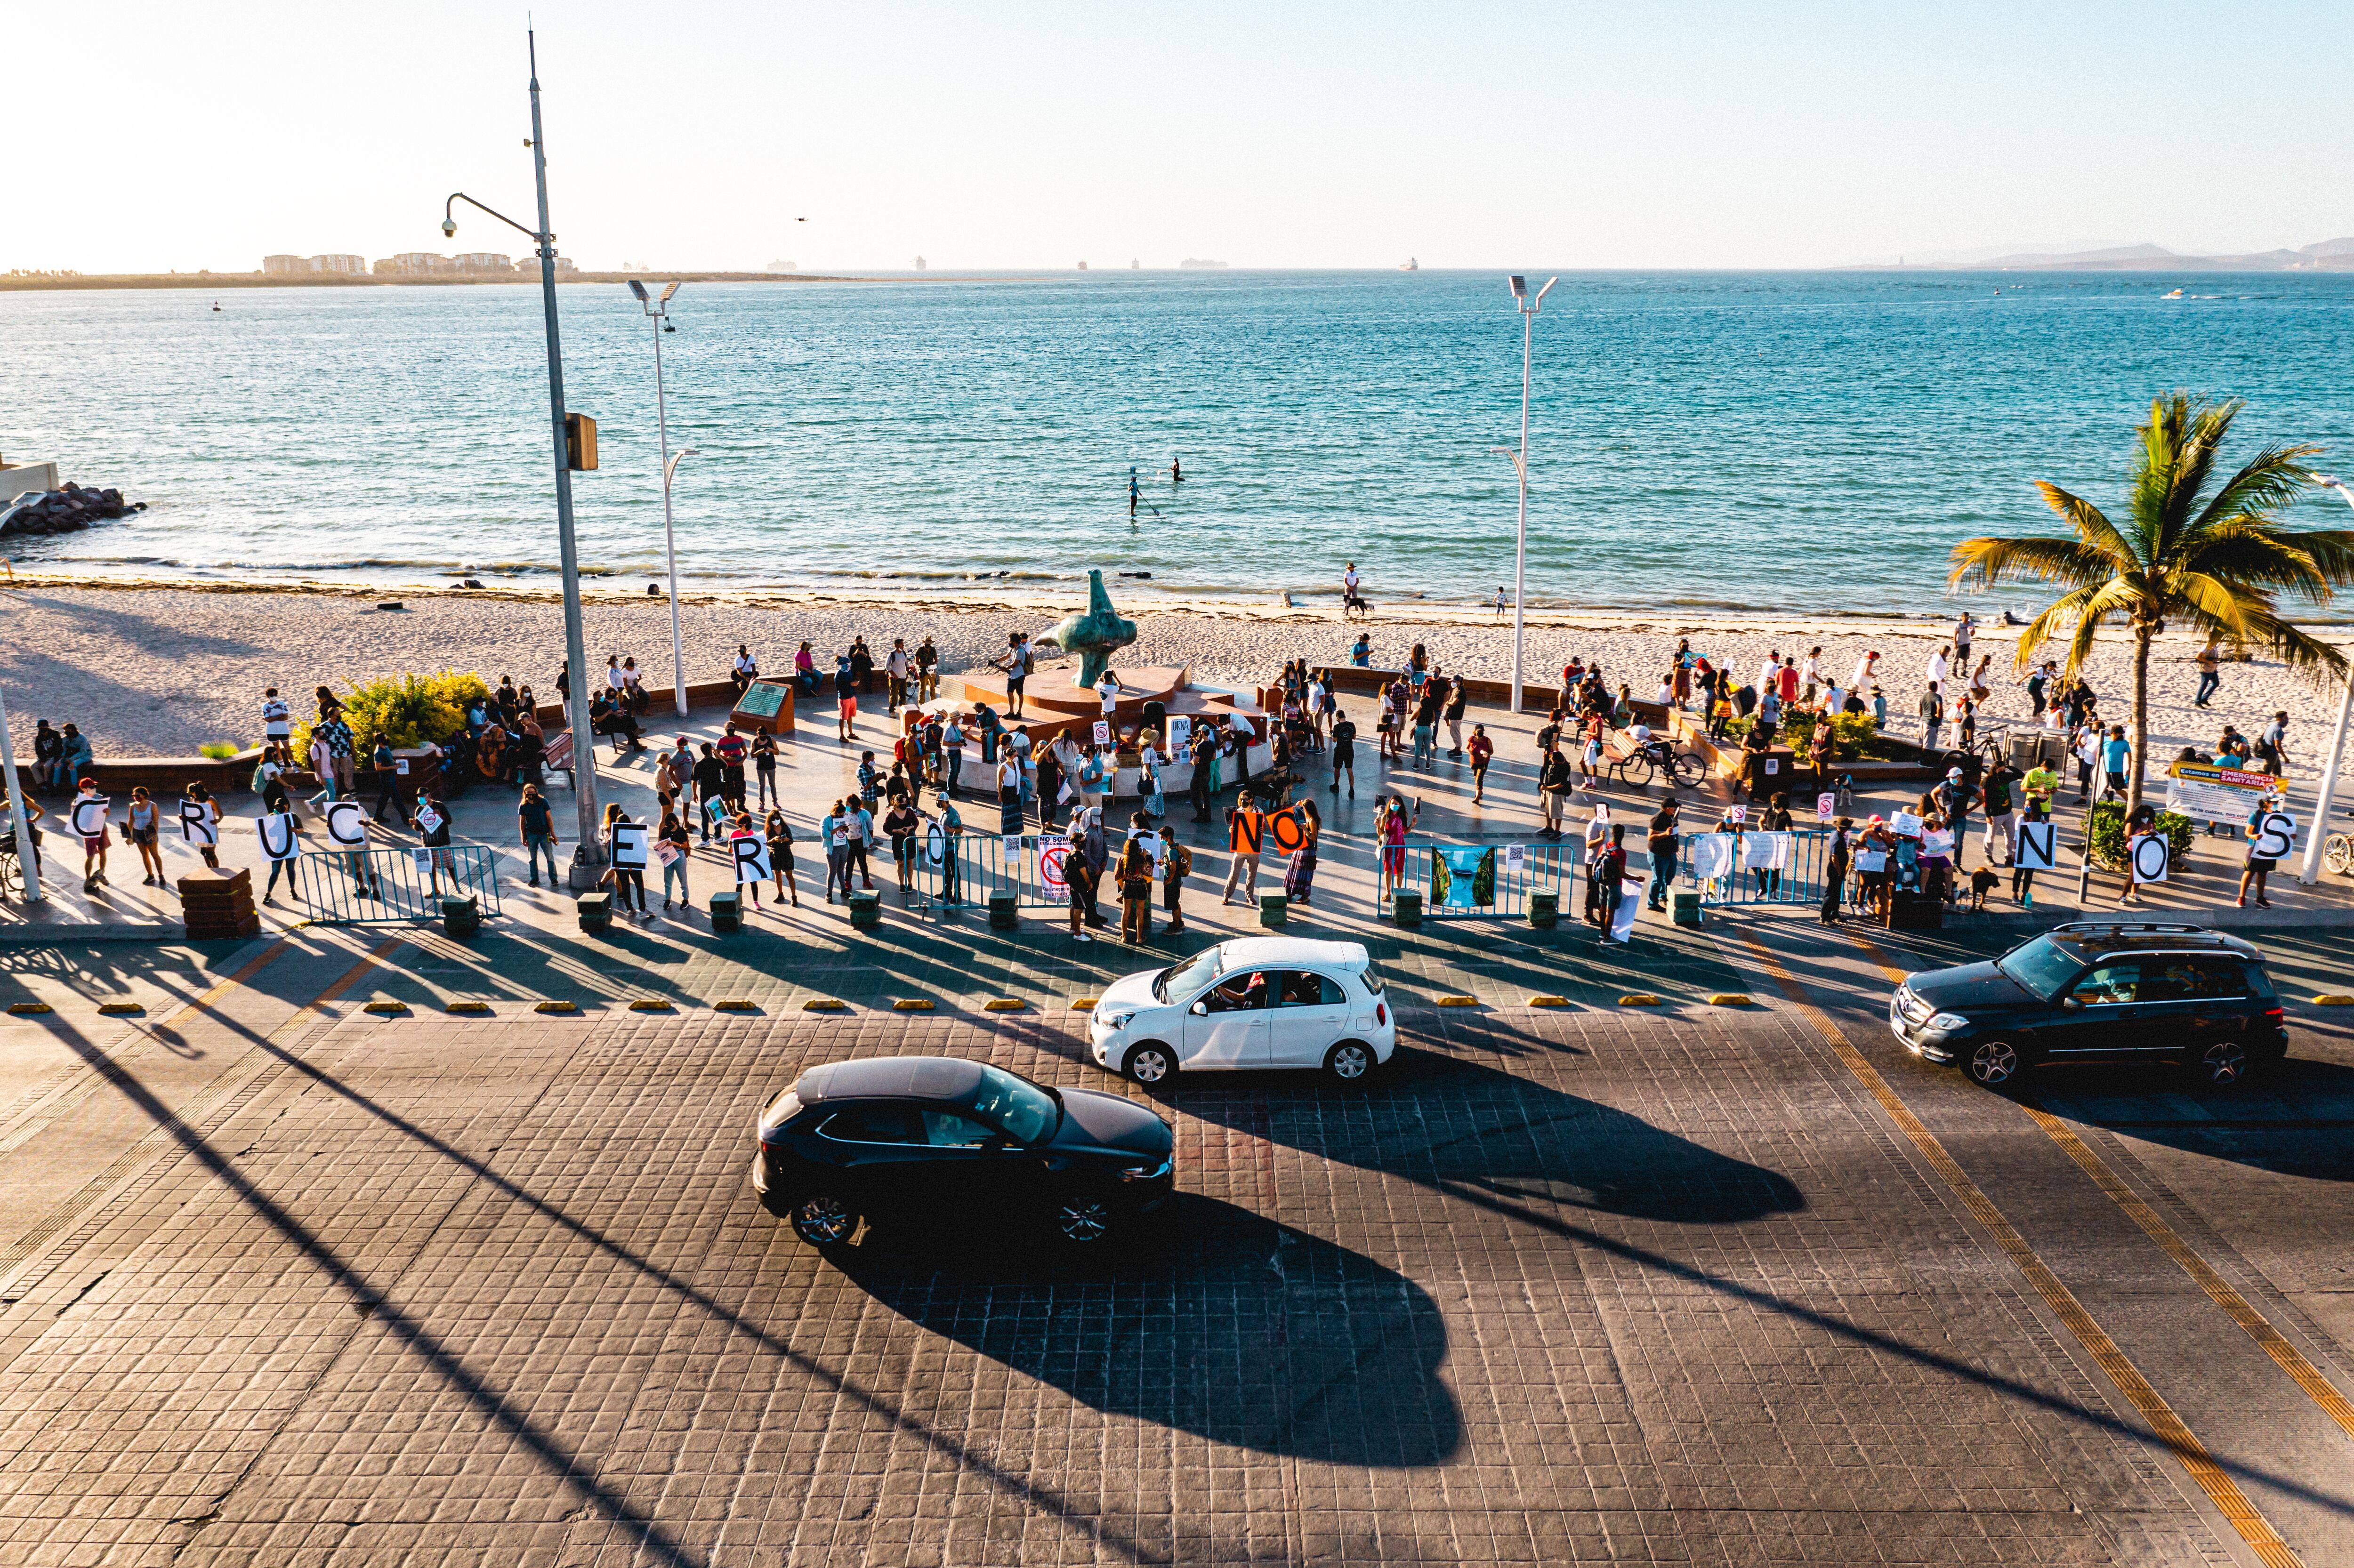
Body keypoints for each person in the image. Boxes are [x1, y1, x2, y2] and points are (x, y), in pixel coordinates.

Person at [2238, 794, 2283, 909]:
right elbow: (2248, 832)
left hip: (2269, 849)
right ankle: (2241, 897)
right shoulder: (2256, 814)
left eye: (2278, 802)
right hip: (2255, 847)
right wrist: (2254, 837)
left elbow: (2283, 831)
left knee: (2263, 873)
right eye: (2275, 802)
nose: (2277, 804)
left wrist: (2291, 835)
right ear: (2267, 803)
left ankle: (2260, 898)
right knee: (2249, 872)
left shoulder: (2278, 815)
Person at [602, 804, 647, 916]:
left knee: (625, 887)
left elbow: (610, 850)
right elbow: (639, 849)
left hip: (620, 866)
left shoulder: (614, 834)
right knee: (639, 886)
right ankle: (643, 909)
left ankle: (630, 909)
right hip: (633, 865)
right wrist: (634, 864)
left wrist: (615, 864)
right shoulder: (635, 834)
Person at [1118, 815, 1155, 942]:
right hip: (1140, 887)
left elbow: (1118, 873)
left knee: (1125, 911)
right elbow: (1149, 872)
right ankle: (1139, 938)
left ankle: (1124, 936)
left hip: (1128, 886)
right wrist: (1145, 856)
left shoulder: (1123, 859)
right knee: (1140, 913)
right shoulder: (1141, 859)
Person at [1222, 796, 1264, 905]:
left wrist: (1262, 829)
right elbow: (1233, 828)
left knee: (1252, 874)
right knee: (1234, 872)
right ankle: (1227, 895)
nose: (1243, 801)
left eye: (1245, 799)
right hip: (1240, 847)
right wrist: (1231, 830)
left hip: (1254, 848)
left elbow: (1263, 827)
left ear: (1251, 800)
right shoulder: (1237, 812)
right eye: (1241, 799)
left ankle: (1250, 896)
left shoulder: (1259, 811)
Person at [518, 784, 559, 886]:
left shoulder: (543, 802)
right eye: (528, 793)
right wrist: (523, 836)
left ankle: (553, 878)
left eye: (533, 792)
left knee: (549, 857)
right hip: (531, 834)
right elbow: (522, 822)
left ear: (536, 792)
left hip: (544, 834)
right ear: (525, 794)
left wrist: (553, 833)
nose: (531, 795)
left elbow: (549, 818)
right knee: (532, 858)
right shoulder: (523, 806)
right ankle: (534, 878)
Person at [124, 786, 164, 886]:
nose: (136, 797)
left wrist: (155, 833)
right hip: (138, 832)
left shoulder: (152, 806)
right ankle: (150, 875)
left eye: (138, 795)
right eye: (134, 796)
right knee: (145, 855)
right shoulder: (133, 806)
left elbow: (156, 821)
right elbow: (131, 820)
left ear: (144, 795)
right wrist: (128, 836)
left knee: (155, 854)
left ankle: (161, 875)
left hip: (149, 832)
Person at [1645, 799, 1680, 912]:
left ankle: (1663, 896)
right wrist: (1665, 834)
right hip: (1658, 853)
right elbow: (1651, 837)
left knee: (1669, 876)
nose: (1676, 809)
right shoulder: (1657, 819)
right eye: (1674, 807)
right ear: (1667, 808)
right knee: (1658, 879)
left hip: (1670, 852)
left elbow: (1678, 812)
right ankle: (1652, 903)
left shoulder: (1672, 817)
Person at [657, 809, 692, 911]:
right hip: (668, 854)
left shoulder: (681, 831)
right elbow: (660, 841)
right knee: (667, 879)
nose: (668, 825)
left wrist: (675, 844)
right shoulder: (665, 830)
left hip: (679, 853)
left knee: (682, 878)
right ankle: (668, 899)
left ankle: (685, 899)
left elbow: (685, 846)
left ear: (675, 822)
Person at [765, 810, 799, 908]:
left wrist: (787, 840)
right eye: (774, 819)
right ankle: (780, 894)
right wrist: (773, 840)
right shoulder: (769, 829)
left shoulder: (785, 827)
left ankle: (794, 896)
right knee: (778, 875)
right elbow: (766, 842)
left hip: (786, 853)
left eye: (778, 818)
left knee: (789, 875)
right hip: (775, 853)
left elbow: (792, 840)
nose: (776, 820)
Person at [1821, 816, 1852, 924]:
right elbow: (1834, 857)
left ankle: (1835, 913)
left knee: (1836, 893)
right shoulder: (1837, 839)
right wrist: (1839, 872)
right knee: (1831, 893)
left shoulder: (1838, 835)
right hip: (1835, 870)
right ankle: (1825, 917)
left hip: (1839, 869)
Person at [1537, 744, 1571, 838]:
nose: (1551, 760)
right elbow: (1544, 768)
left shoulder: (1565, 768)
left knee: (1557, 811)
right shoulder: (1556, 761)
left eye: (1552, 759)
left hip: (1557, 792)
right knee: (1547, 809)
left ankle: (1557, 831)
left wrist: (1547, 788)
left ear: (1557, 761)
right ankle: (1549, 827)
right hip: (1548, 789)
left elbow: (1561, 784)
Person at [1161, 829, 1192, 933]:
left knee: (1174, 905)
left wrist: (1169, 880)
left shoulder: (1172, 851)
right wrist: (1164, 862)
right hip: (1177, 881)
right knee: (1176, 903)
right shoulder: (1175, 847)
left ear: (1168, 837)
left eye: (1162, 838)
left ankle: (1176, 928)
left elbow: (1173, 868)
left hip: (1173, 882)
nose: (1161, 840)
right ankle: (1179, 923)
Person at [1329, 707, 1357, 797]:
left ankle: (1336, 785)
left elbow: (1334, 740)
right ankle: (1351, 789)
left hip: (1340, 751)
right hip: (1349, 750)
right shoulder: (1352, 725)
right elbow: (1354, 737)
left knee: (1337, 768)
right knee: (1350, 770)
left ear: (1337, 719)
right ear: (1345, 716)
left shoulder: (1337, 727)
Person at [751, 730, 779, 808]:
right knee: (762, 785)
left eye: (765, 736)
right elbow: (752, 755)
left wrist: (771, 750)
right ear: (758, 734)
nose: (763, 737)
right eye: (761, 736)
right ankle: (762, 803)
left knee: (772, 784)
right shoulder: (755, 741)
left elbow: (777, 752)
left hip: (771, 766)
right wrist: (760, 752)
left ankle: (775, 802)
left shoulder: (772, 740)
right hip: (761, 767)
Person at [2101, 725, 2131, 797]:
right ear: (2113, 733)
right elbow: (2099, 753)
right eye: (2119, 733)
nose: (2121, 735)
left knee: (2118, 789)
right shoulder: (2105, 740)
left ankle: (2129, 803)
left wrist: (2129, 769)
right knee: (2101, 787)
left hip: (2117, 770)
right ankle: (2109, 794)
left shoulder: (2124, 743)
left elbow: (2130, 756)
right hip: (2105, 769)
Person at [1467, 724, 1493, 804]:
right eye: (1479, 731)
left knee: (1479, 779)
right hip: (1474, 762)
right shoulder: (1472, 739)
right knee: (1476, 777)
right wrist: (1470, 752)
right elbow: (1467, 748)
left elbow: (1491, 751)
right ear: (1475, 731)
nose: (1480, 733)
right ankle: (1480, 791)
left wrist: (1487, 754)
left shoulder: (1487, 740)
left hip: (1483, 762)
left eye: (1482, 731)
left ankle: (1477, 798)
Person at [2193, 638, 2222, 708]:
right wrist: (2208, 662)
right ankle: (2197, 702)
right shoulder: (2207, 646)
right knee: (2204, 685)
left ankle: (2204, 699)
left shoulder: (2214, 646)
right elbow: (2198, 657)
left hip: (2213, 669)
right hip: (2205, 669)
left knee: (2216, 683)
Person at [1918, 684, 1944, 754]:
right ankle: (1925, 762)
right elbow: (1939, 707)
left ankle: (1920, 759)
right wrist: (1939, 716)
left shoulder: (1923, 696)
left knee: (1923, 743)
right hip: (1931, 723)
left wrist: (1922, 717)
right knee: (1928, 745)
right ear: (1937, 688)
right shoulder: (1937, 697)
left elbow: (1920, 709)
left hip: (1922, 721)